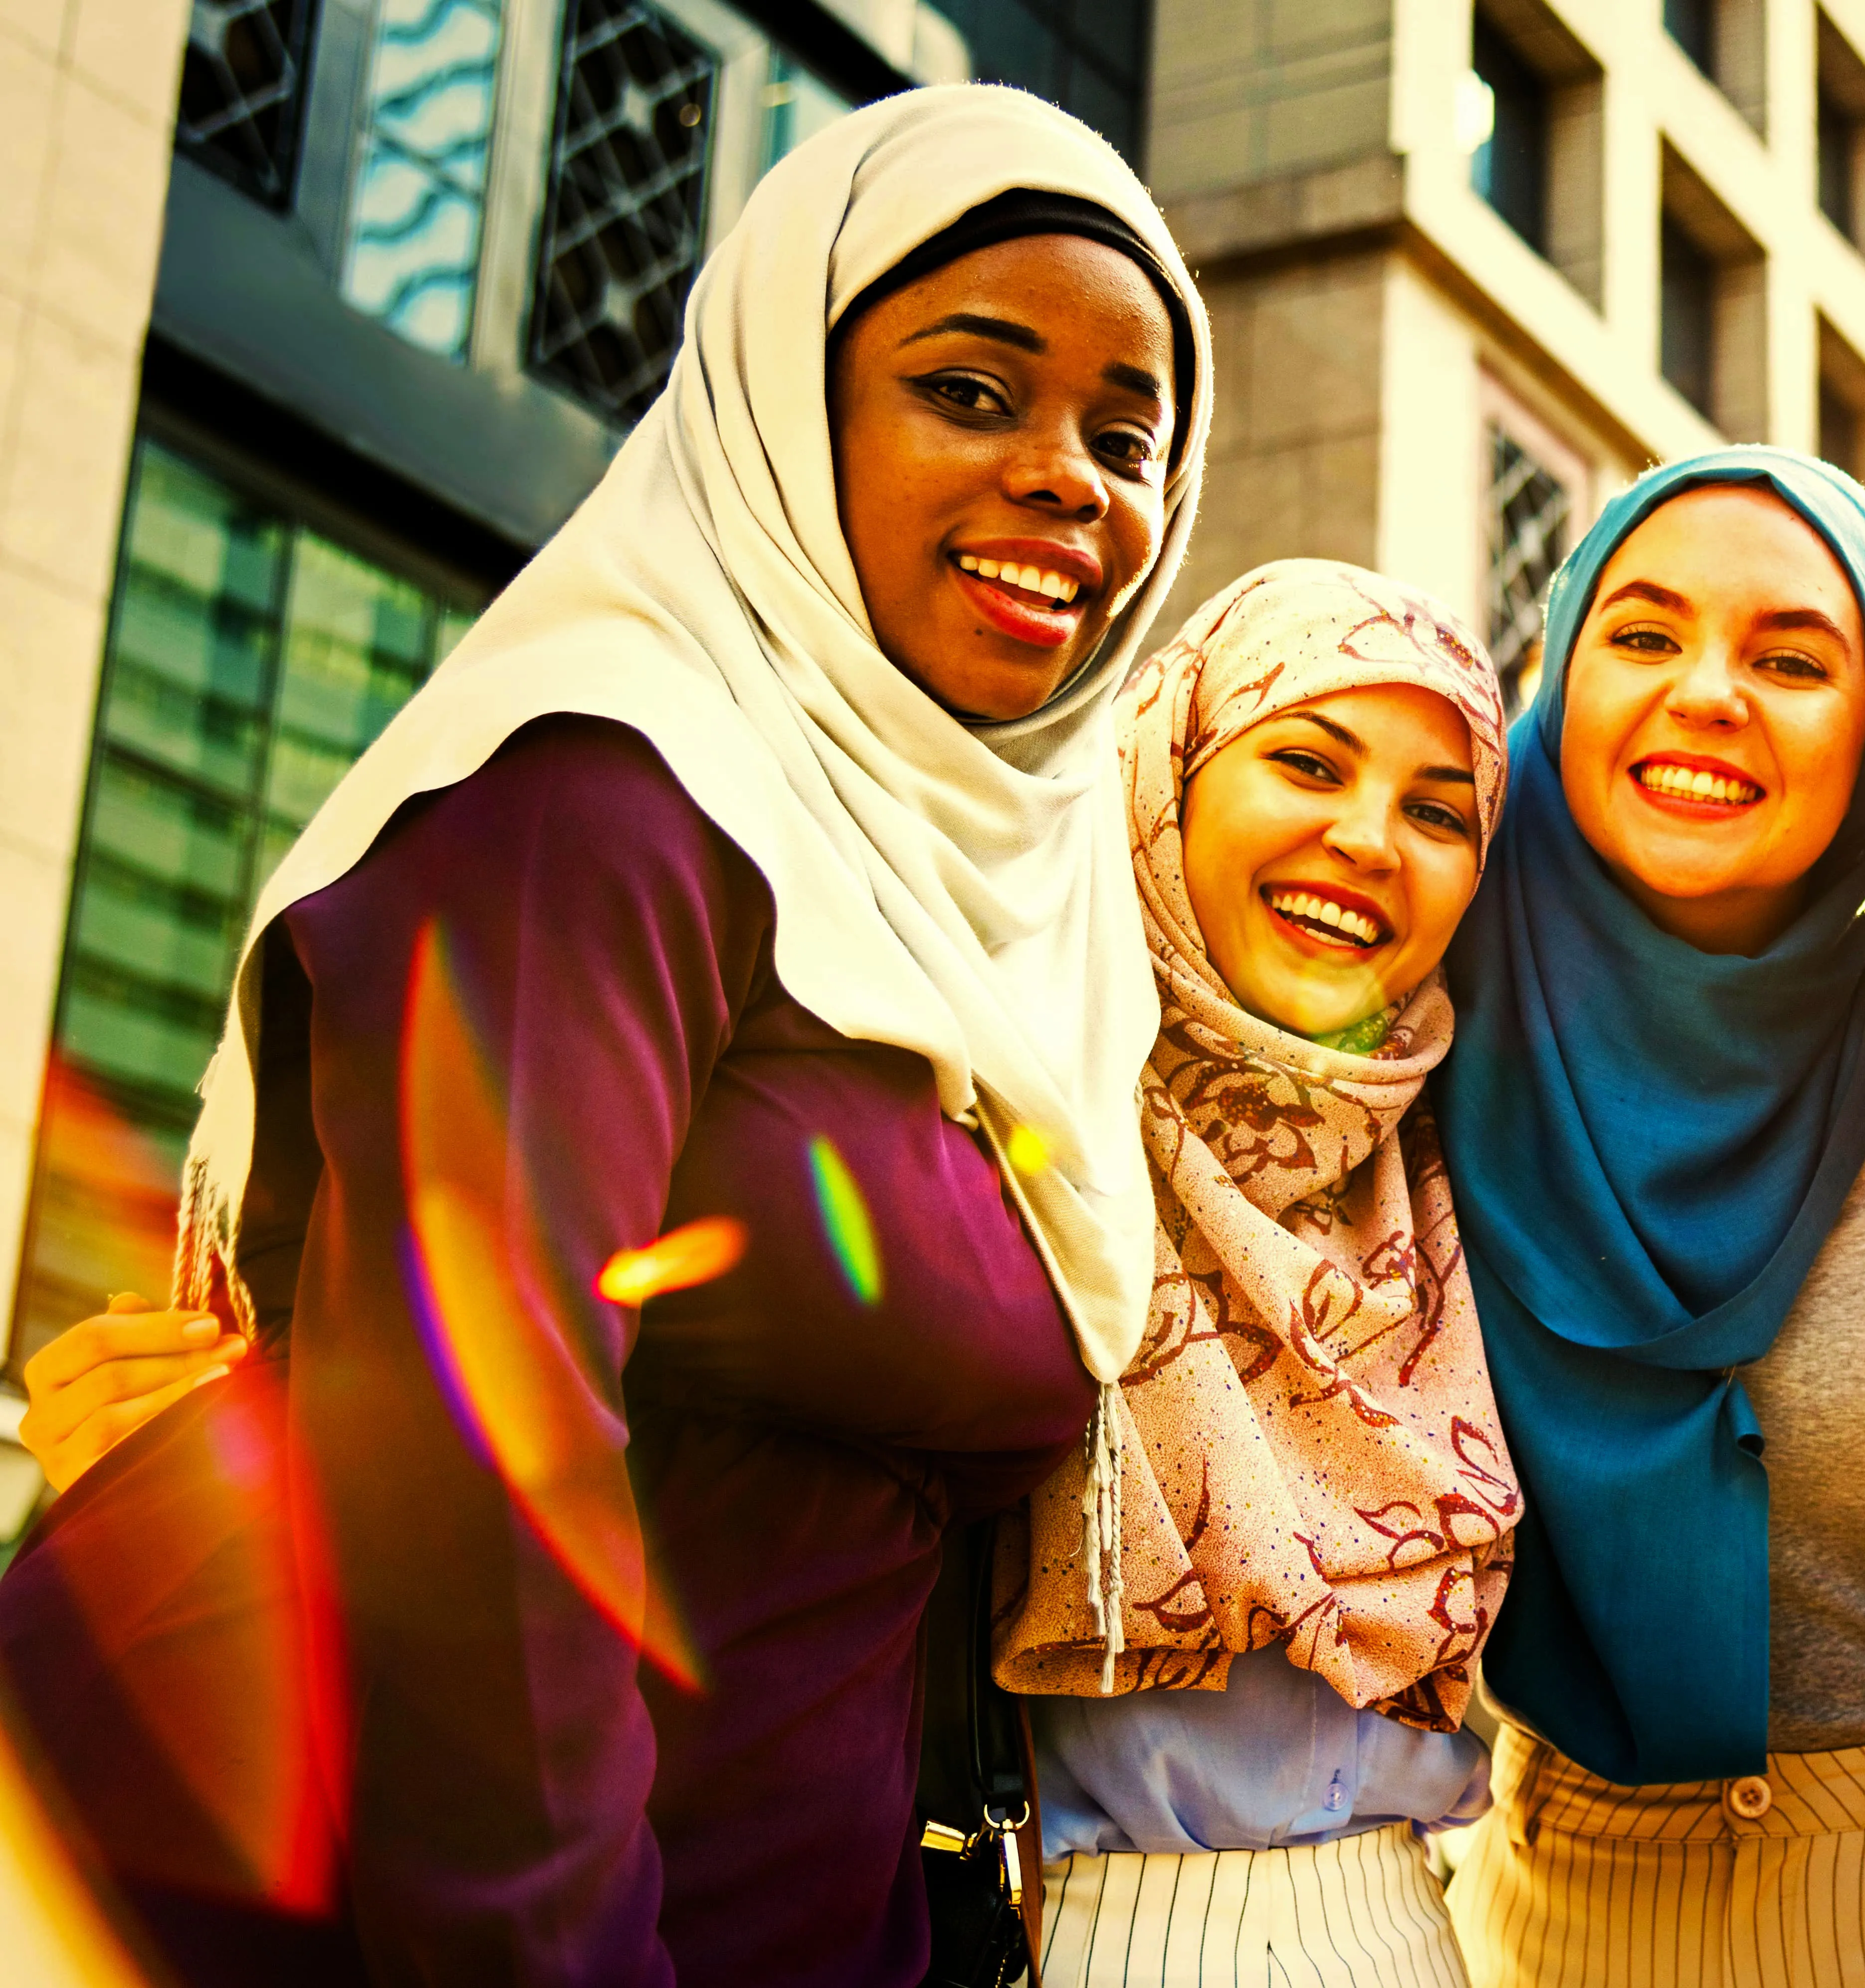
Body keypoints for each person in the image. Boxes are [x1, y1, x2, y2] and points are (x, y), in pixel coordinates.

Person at [0, 86, 1210, 1988]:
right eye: (970, 391)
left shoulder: (1018, 928)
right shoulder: (605, 791)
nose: (1070, 479)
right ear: (782, 410)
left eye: (1126, 439)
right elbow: (481, 1490)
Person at [1436, 450, 1865, 1987]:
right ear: (1557, 670)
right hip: (1560, 1909)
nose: (1706, 695)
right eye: (1643, 633)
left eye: (1794, 660)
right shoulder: (1427, 1002)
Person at [989, 558, 1521, 1983]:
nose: (1368, 840)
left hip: (1406, 1934)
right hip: (1053, 1937)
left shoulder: (1459, 1163)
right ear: (1166, 776)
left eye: (1438, 811)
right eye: (1307, 762)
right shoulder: (1009, 1111)